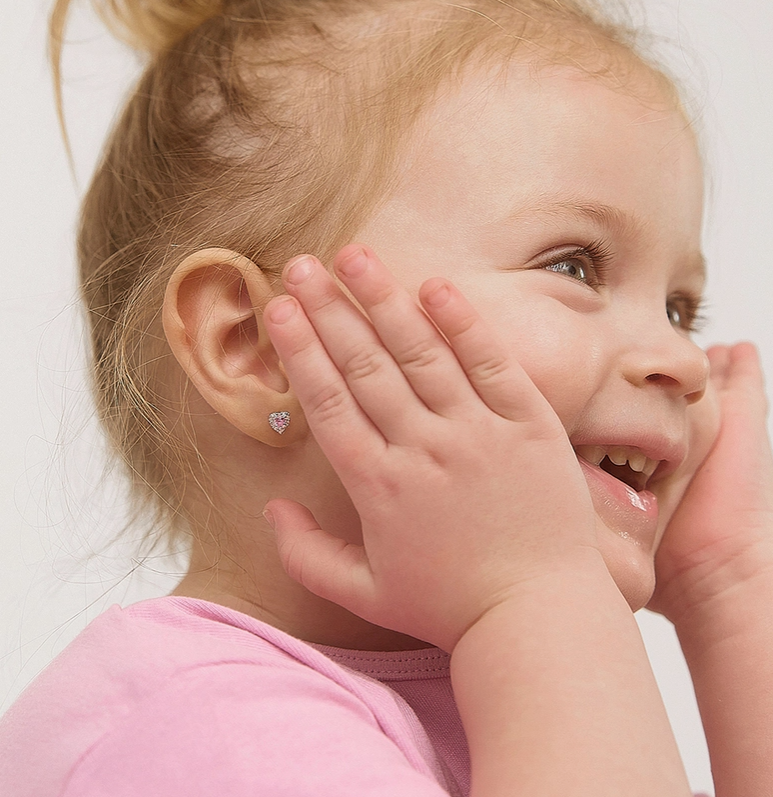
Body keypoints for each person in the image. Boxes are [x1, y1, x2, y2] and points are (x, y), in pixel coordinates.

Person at [1, 0, 772, 794]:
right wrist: (535, 591)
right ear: (258, 347)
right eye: (573, 264)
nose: (680, 359)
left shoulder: (514, 685)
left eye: (682, 308)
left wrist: (732, 588)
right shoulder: (208, 730)